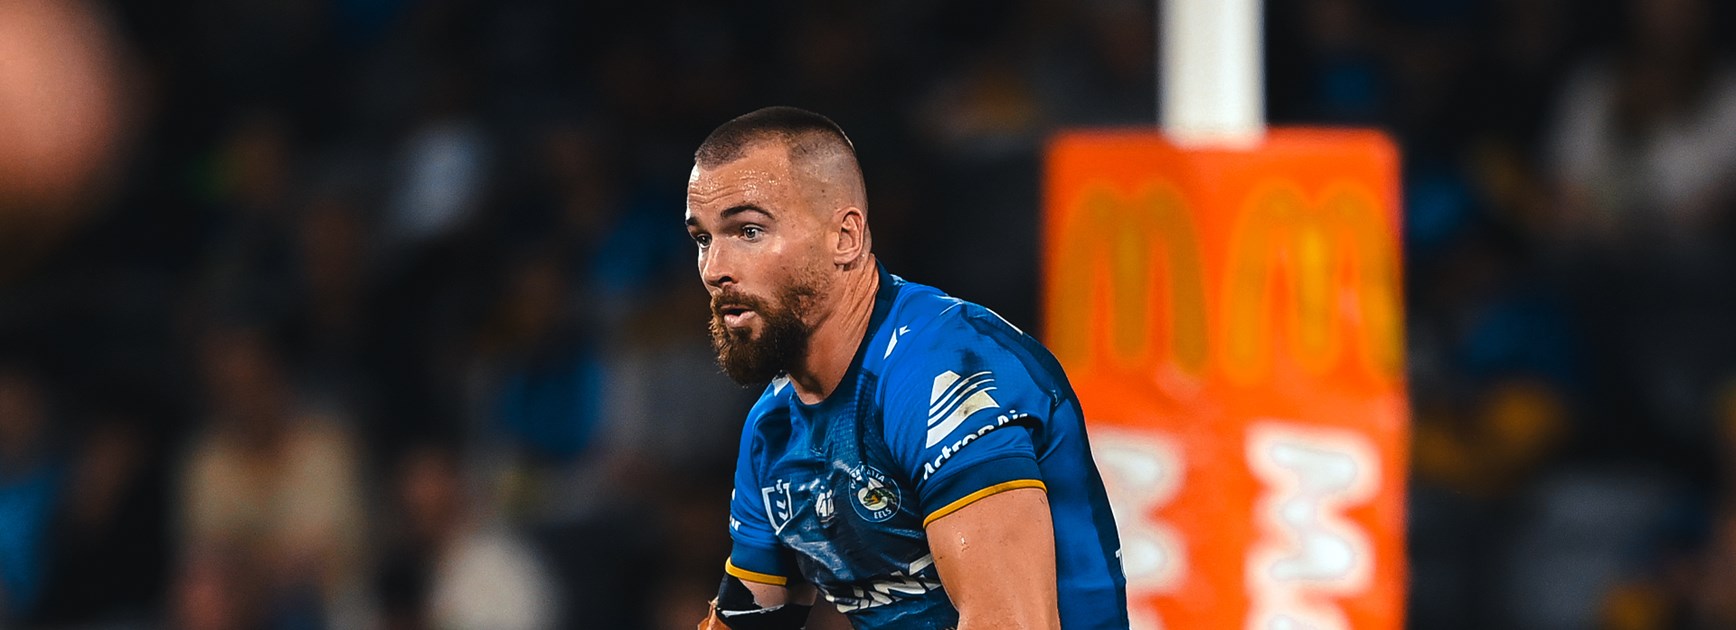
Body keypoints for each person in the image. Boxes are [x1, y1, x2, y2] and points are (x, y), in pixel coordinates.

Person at [685, 106, 1128, 629]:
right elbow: (748, 621)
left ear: (845, 237)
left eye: (749, 231)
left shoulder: (945, 371)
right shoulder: (773, 428)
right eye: (703, 239)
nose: (715, 269)